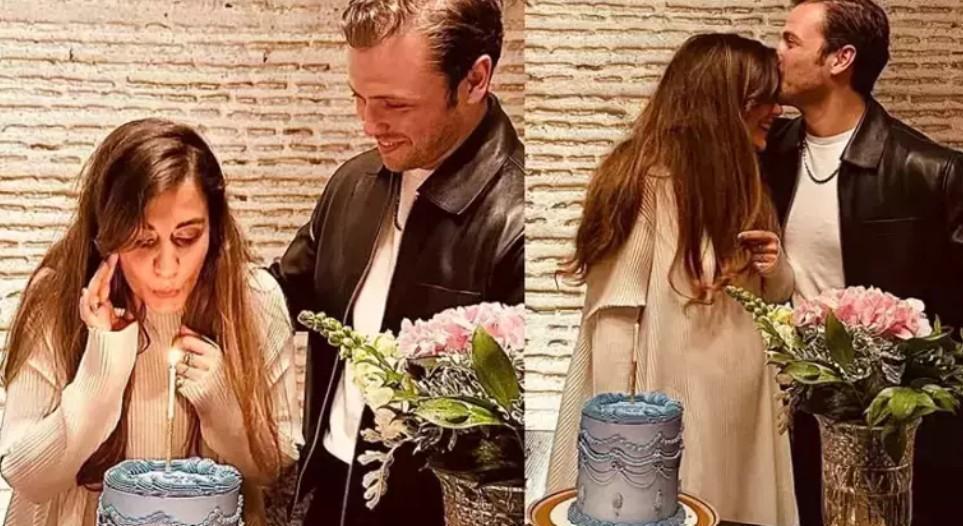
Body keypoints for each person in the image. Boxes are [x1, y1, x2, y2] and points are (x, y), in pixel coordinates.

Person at [267, 1, 524, 525]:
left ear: (475, 80)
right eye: (358, 98)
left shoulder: (522, 221)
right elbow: (282, 296)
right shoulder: (353, 183)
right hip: (329, 491)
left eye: (394, 104)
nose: (368, 124)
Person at [546, 33, 798, 526]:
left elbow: (772, 298)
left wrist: (776, 266)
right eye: (764, 98)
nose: (777, 110)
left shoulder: (744, 180)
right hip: (673, 401)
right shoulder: (645, 179)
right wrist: (619, 422)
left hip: (744, 404)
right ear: (724, 100)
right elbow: (615, 311)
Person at [0, 119, 302, 526]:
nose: (167, 267)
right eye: (143, 241)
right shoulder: (59, 298)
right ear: (107, 233)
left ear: (214, 229)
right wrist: (101, 373)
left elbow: (273, 469)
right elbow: (27, 478)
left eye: (186, 237)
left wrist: (225, 409)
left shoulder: (254, 299)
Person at [763, 1, 963, 525]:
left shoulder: (930, 173)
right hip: (776, 414)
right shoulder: (766, 153)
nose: (776, 53)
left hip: (875, 426)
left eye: (790, 41)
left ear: (840, 58)